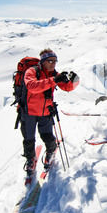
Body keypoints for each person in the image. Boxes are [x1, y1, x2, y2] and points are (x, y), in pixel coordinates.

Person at [20, 48, 79, 176]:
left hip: (45, 112)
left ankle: (51, 153)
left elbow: (67, 88)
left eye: (55, 61)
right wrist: (54, 80)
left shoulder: (54, 74)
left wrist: (75, 80)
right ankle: (31, 160)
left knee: (47, 137)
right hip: (28, 112)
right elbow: (32, 86)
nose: (53, 64)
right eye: (50, 61)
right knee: (28, 139)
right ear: (42, 61)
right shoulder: (31, 71)